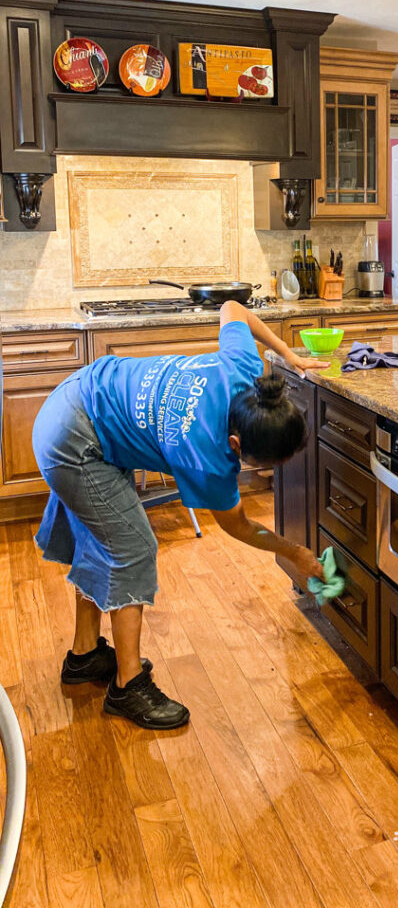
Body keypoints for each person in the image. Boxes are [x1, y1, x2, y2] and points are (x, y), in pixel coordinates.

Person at [32, 300, 329, 730]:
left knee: (99, 540)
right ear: (235, 445)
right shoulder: (208, 456)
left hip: (80, 395)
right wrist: (295, 552)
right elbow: (240, 526)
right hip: (74, 439)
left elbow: (232, 308)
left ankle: (85, 656)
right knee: (131, 547)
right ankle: (127, 686)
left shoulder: (243, 371)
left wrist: (287, 354)